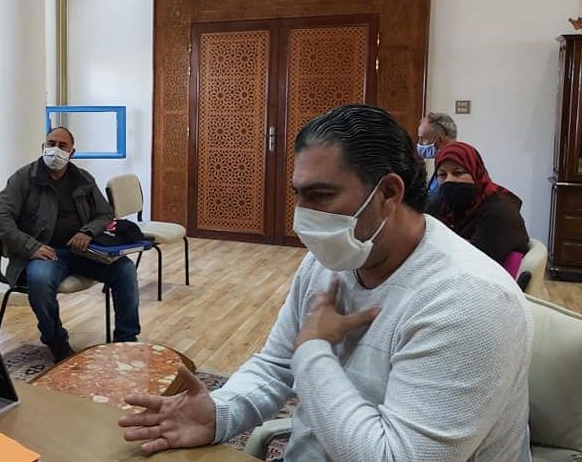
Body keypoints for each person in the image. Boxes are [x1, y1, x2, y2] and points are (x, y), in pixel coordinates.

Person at [120, 105, 532, 461]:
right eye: (299, 194)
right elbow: (276, 363)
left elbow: (395, 455)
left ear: (389, 193)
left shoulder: (468, 300)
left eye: (321, 195)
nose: (302, 216)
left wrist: (313, 350)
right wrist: (219, 411)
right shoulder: (333, 259)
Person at [0, 126, 141, 362]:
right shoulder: (24, 178)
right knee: (40, 281)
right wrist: (31, 246)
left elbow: (105, 214)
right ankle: (57, 342)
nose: (55, 150)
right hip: (44, 253)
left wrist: (87, 232)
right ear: (43, 147)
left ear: (72, 152)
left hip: (83, 251)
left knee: (125, 269)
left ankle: (126, 340)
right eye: (51, 144)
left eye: (62, 146)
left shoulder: (83, 179)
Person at [425, 141, 530, 274]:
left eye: (458, 173)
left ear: (476, 173)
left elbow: (475, 269)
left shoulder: (500, 213)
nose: (449, 180)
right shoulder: (438, 205)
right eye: (442, 175)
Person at [417, 111, 458, 198]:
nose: (419, 143)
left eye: (422, 138)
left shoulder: (452, 166)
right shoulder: (442, 162)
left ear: (440, 140)